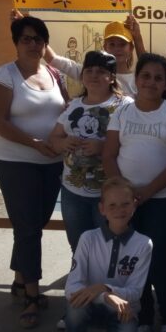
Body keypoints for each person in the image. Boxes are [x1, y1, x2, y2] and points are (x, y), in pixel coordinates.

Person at [103, 53, 166, 332]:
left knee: (160, 262)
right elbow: (108, 154)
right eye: (145, 76)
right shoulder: (123, 112)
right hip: (127, 204)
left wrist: (148, 192)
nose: (151, 82)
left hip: (161, 200)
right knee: (131, 263)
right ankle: (142, 319)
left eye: (158, 77)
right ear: (136, 79)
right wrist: (124, 195)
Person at [0, 15, 65, 329]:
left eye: (38, 39)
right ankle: (33, 296)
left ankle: (20, 278)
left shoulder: (53, 74)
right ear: (16, 43)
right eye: (26, 39)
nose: (33, 44)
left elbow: (66, 110)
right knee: (29, 227)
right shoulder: (4, 75)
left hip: (51, 162)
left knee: (35, 221)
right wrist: (34, 144)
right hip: (15, 162)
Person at [61, 177, 152, 332]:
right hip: (93, 304)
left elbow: (136, 292)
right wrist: (104, 295)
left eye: (125, 204)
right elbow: (72, 286)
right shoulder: (88, 239)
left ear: (134, 205)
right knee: (75, 306)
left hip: (123, 310)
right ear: (102, 209)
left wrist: (104, 288)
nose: (119, 210)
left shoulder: (143, 244)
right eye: (112, 205)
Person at [49, 51, 131, 253]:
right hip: (72, 192)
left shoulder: (125, 105)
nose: (94, 75)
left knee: (110, 247)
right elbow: (53, 139)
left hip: (110, 194)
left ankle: (106, 285)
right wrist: (64, 143)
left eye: (101, 71)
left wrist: (104, 148)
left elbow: (134, 144)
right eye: (89, 70)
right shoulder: (73, 106)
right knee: (78, 247)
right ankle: (82, 283)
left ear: (111, 77)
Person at [46, 16, 145, 97]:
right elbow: (53, 59)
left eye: (122, 44)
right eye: (112, 44)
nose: (117, 48)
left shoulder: (140, 79)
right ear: (105, 47)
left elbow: (149, 64)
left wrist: (138, 38)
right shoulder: (92, 73)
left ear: (131, 48)